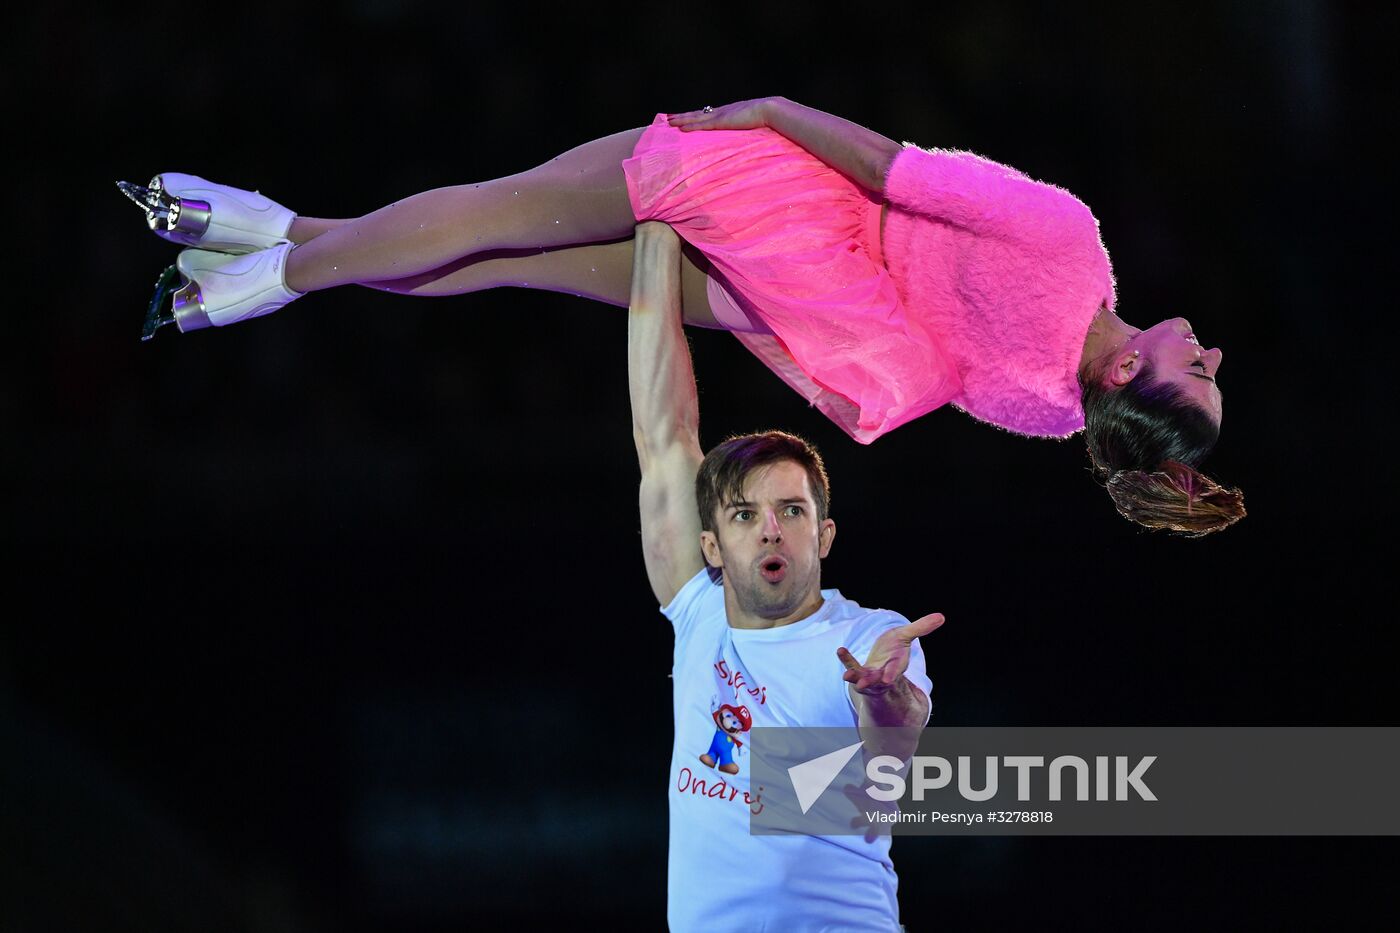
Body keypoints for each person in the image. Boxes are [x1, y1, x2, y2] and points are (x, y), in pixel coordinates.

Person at [119, 96, 1245, 534]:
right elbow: (895, 372)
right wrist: (762, 322)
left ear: (1123, 378)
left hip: (797, 204)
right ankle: (274, 239)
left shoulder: (1066, 243)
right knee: (522, 260)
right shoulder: (1047, 412)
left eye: (1193, 374)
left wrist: (768, 109)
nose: (1208, 351)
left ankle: (275, 272)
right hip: (800, 304)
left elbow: (896, 168)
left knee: (507, 212)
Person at [628, 219, 941, 931]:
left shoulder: (873, 638)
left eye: (791, 510)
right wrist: (655, 217)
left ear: (823, 535)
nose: (770, 526)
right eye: (744, 514)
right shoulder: (698, 614)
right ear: (711, 545)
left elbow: (891, 752)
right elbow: (661, 431)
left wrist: (884, 701)